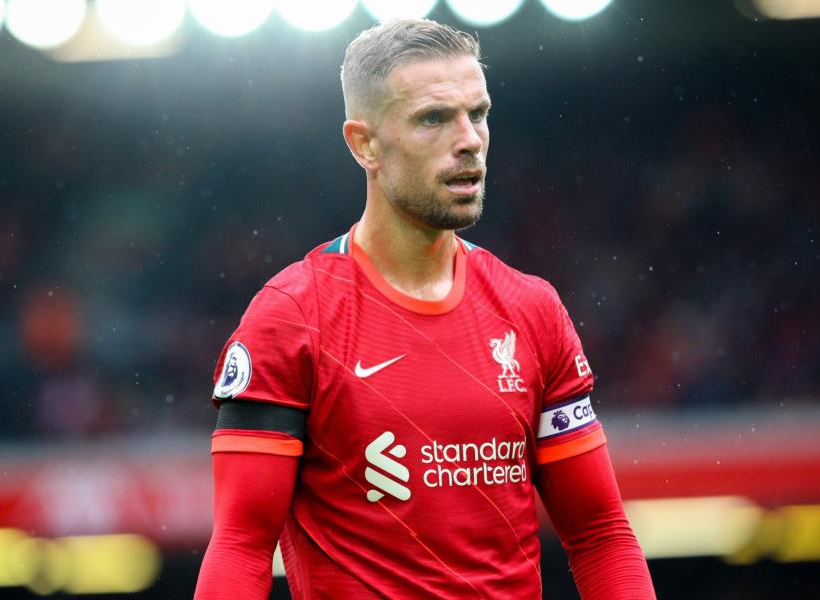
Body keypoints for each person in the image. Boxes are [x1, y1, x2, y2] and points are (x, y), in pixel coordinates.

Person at [195, 19, 655, 599]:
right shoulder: (291, 317)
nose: (468, 139)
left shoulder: (532, 309)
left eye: (478, 114)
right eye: (433, 119)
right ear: (364, 144)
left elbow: (599, 534)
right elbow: (241, 544)